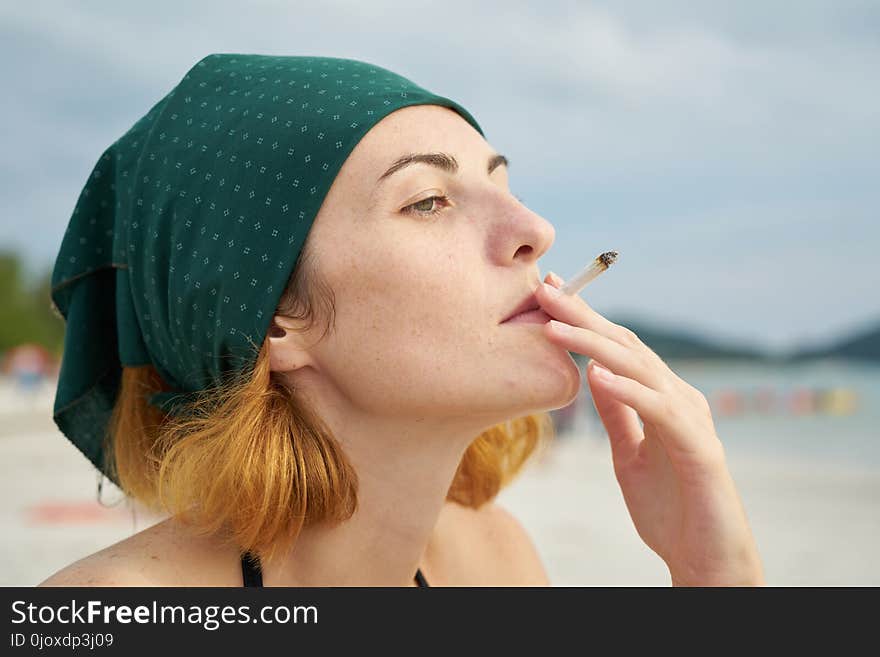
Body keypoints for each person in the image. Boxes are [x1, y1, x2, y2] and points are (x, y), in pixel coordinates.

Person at [39, 54, 764, 587]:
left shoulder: (497, 568)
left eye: (501, 183)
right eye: (428, 201)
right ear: (272, 319)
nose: (535, 230)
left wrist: (713, 576)